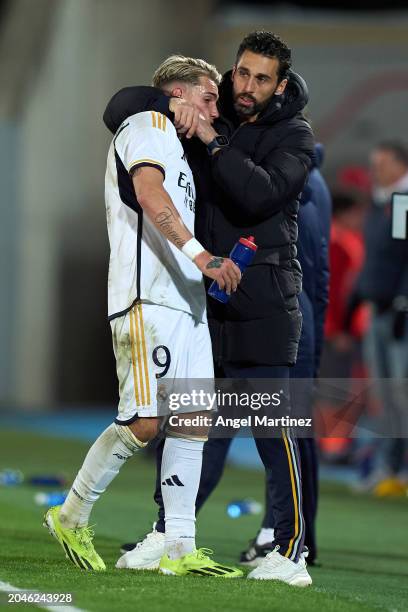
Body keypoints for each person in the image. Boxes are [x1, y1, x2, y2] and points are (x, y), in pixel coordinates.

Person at [105, 31, 315, 587]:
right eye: (241, 73)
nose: (245, 87)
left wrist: (213, 140)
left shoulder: (294, 135)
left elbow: (258, 196)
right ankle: (168, 533)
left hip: (266, 301)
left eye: (260, 79)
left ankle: (291, 548)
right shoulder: (214, 104)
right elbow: (119, 106)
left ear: (281, 84)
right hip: (210, 302)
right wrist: (168, 102)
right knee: (189, 428)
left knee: (273, 428)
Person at [43, 55, 243, 578]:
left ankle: (180, 546)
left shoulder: (180, 144)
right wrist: (204, 258)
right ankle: (72, 514)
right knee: (146, 421)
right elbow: (149, 194)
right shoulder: (148, 124)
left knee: (194, 422)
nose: (214, 109)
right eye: (208, 96)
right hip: (147, 297)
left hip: (188, 304)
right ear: (177, 92)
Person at [351, 142, 408, 494]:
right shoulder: (380, 202)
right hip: (377, 310)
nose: (376, 170)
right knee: (384, 393)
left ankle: (400, 467)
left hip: (398, 312)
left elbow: (406, 255)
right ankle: (388, 466)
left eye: (382, 163)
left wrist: (403, 300)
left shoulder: (401, 203)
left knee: (402, 392)